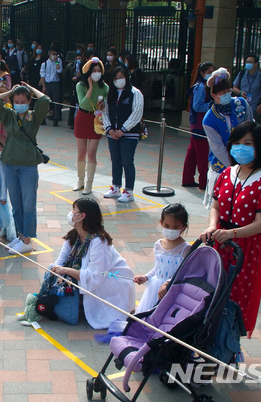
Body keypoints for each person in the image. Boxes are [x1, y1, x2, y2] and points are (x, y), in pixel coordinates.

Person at [200, 121, 261, 338]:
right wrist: (212, 226)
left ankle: (229, 345)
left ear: (259, 146)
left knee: (238, 297)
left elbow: (260, 224)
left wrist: (231, 234)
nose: (240, 147)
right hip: (220, 240)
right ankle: (207, 339)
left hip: (247, 247)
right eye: (236, 142)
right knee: (211, 292)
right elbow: (215, 205)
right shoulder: (227, 173)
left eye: (247, 143)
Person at [43, 198, 134, 329]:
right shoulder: (74, 236)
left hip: (111, 282)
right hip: (92, 279)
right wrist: (55, 270)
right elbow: (59, 263)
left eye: (73, 210)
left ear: (82, 216)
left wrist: (66, 271)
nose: (70, 212)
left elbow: (95, 276)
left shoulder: (98, 241)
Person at [0, 82, 49, 255]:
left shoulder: (34, 116)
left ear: (29, 101)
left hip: (28, 164)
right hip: (9, 162)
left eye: (23, 100)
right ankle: (21, 235)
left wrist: (30, 88)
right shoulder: (9, 114)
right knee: (16, 204)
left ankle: (27, 240)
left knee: (28, 204)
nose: (20, 104)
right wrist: (10, 91)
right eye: (16, 100)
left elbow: (45, 100)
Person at [202, 68, 253, 208]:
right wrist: (234, 168)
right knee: (221, 206)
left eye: (228, 91)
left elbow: (252, 126)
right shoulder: (209, 119)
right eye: (222, 93)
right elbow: (217, 148)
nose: (227, 95)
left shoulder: (241, 104)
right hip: (223, 166)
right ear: (214, 95)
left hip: (247, 160)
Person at [134, 204, 191, 313]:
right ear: (161, 223)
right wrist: (146, 277)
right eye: (167, 225)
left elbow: (183, 272)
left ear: (183, 227)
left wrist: (168, 283)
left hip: (171, 289)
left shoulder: (186, 248)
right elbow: (158, 267)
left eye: (176, 227)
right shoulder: (158, 244)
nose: (170, 229)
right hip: (154, 288)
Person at [102, 66, 144, 203]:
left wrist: (123, 130)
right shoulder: (111, 93)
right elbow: (104, 112)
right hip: (112, 134)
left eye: (120, 77)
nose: (118, 80)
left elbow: (136, 114)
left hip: (129, 134)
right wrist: (109, 129)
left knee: (127, 162)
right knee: (116, 161)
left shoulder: (135, 93)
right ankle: (116, 187)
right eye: (115, 78)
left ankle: (129, 190)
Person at [73, 57, 107, 195]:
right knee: (81, 153)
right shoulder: (80, 86)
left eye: (99, 70)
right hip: (82, 118)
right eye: (94, 70)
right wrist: (91, 88)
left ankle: (89, 183)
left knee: (92, 153)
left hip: (96, 119)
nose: (97, 73)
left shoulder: (105, 88)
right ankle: (80, 180)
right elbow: (83, 103)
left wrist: (103, 106)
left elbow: (105, 106)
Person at [182, 62, 214, 190]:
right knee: (202, 154)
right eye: (209, 71)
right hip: (199, 126)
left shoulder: (203, 86)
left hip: (198, 125)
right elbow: (197, 106)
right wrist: (212, 106)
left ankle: (188, 179)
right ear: (202, 73)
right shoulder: (200, 87)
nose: (211, 74)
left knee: (193, 153)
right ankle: (203, 182)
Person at [232, 54, 261, 118]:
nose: (248, 64)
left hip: (254, 108)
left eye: (250, 62)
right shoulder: (242, 74)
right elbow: (234, 88)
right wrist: (240, 92)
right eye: (247, 62)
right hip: (241, 107)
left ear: (256, 64)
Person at [40, 47, 63, 126]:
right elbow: (42, 76)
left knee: (56, 102)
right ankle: (43, 119)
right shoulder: (45, 64)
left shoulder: (58, 61)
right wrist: (44, 86)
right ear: (49, 54)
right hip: (47, 83)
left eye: (56, 54)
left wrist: (56, 62)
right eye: (53, 54)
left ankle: (56, 119)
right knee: (46, 102)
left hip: (55, 83)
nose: (54, 56)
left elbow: (59, 70)